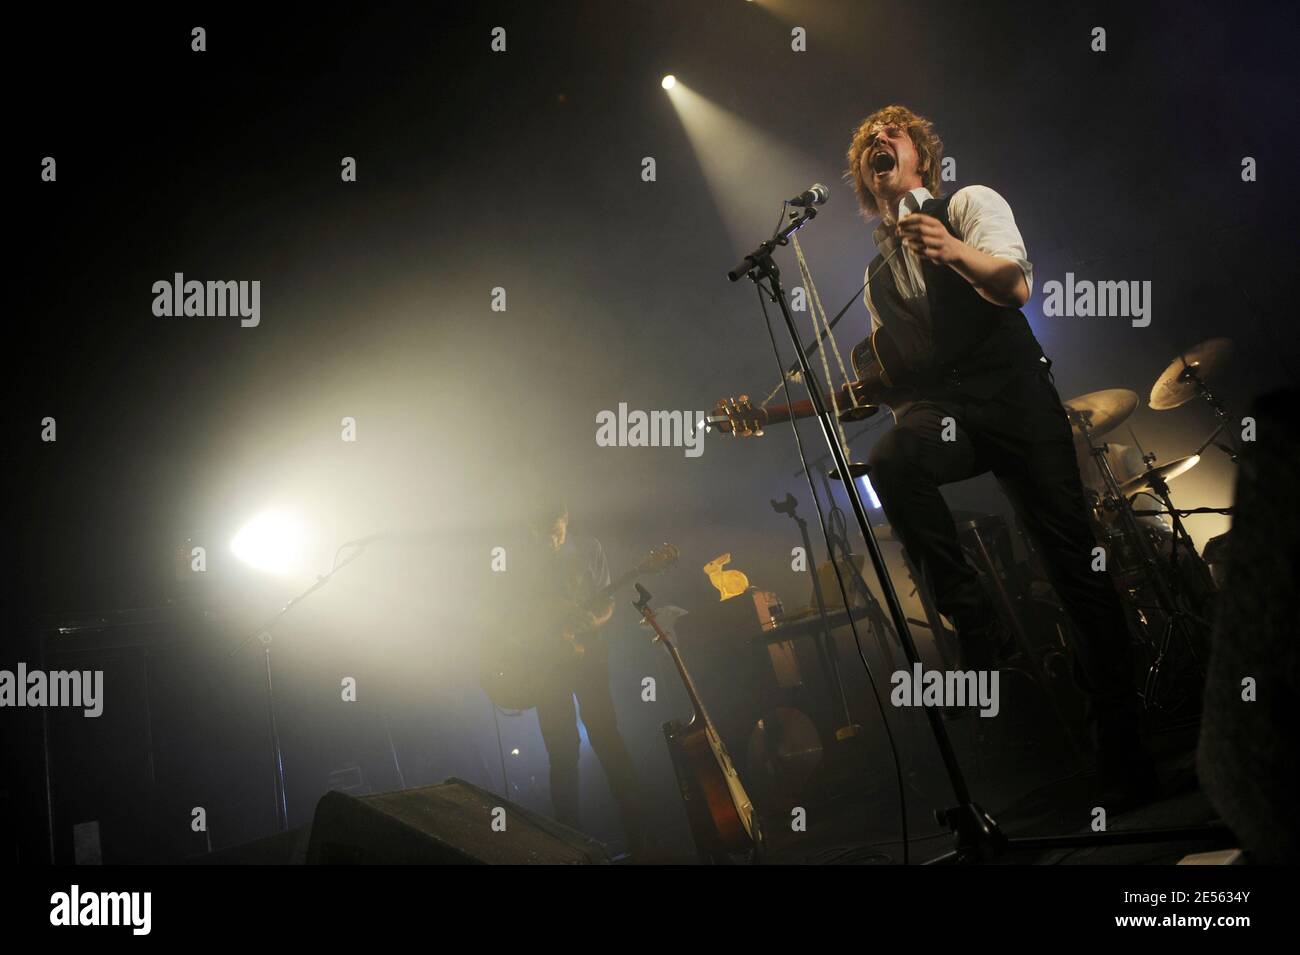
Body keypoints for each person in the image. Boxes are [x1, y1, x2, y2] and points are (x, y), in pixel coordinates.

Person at [847, 105, 1159, 804]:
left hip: (1016, 400)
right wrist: (876, 392)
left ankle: (1123, 754)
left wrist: (951, 249)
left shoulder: (967, 204)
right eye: (867, 142)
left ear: (919, 155)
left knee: (1075, 568)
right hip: (954, 412)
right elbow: (908, 371)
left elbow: (1014, 287)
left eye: (891, 135)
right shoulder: (877, 275)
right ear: (866, 179)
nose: (878, 143)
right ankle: (975, 620)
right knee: (893, 459)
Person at [514, 497, 648, 854]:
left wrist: (593, 620)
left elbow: (607, 601)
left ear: (566, 520)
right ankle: (570, 849)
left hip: (589, 655)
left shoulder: (590, 549)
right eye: (542, 534)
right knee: (561, 751)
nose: (550, 540)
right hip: (546, 663)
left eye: (556, 532)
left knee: (606, 736)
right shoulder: (524, 561)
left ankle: (640, 839)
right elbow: (514, 614)